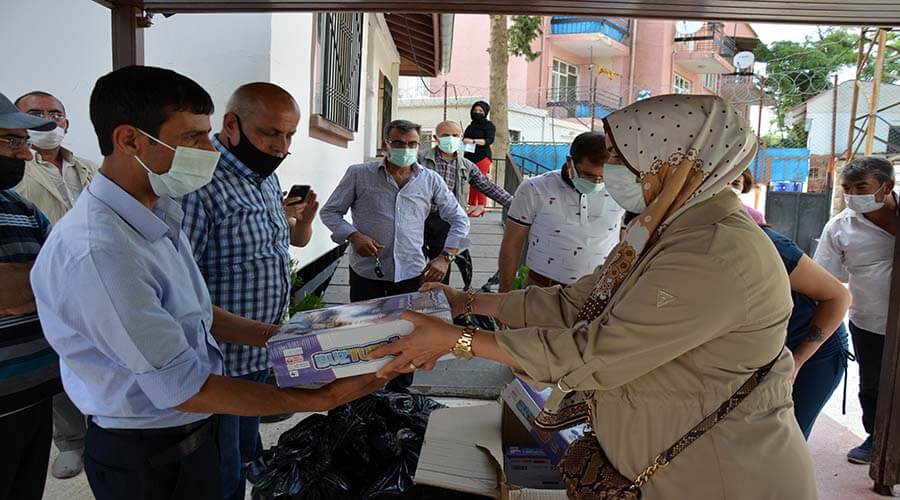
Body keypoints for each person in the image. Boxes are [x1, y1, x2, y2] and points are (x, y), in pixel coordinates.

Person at [372, 95, 817, 499]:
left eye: (624, 157)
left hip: (722, 475)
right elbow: (575, 303)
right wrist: (466, 303)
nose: (614, 171)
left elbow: (595, 353)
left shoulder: (711, 253)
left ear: (674, 162)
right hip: (662, 463)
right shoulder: (664, 231)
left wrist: (458, 340)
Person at [29, 66, 385, 500]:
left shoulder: (158, 213)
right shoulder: (102, 252)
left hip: (200, 427)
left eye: (206, 134)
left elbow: (197, 312)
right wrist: (318, 398)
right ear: (129, 140)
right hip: (153, 455)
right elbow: (184, 387)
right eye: (192, 139)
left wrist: (283, 335)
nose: (207, 151)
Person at [180, 82, 317, 500]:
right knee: (219, 473)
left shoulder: (262, 179)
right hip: (218, 365)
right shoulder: (200, 184)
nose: (281, 146)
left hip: (258, 353)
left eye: (289, 135)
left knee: (240, 455)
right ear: (231, 125)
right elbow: (182, 292)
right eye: (270, 133)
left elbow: (280, 247)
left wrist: (304, 221)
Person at [14, 90, 98, 480]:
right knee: (55, 359)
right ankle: (70, 440)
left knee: (93, 354)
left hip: (93, 277)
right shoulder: (16, 170)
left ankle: (100, 425)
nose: (48, 120)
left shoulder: (87, 168)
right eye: (35, 113)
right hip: (41, 280)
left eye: (56, 113)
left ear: (67, 124)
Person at [320, 119, 470, 302]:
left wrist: (445, 257)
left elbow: (460, 219)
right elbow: (330, 212)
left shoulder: (430, 180)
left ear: (418, 146)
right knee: (367, 328)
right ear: (385, 145)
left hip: (412, 272)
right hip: (367, 272)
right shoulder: (359, 174)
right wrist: (353, 235)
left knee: (407, 327)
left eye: (412, 144)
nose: (406, 149)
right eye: (398, 143)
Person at [814, 156, 897, 464]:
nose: (852, 195)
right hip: (869, 321)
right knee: (872, 382)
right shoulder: (839, 228)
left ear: (887, 186)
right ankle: (876, 438)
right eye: (847, 188)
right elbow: (824, 278)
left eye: (861, 187)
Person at [0, 92, 62, 500]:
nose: (24, 155)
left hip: (36, 395)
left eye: (24, 143)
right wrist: (42, 277)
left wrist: (30, 280)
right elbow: (11, 295)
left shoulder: (17, 205)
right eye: (11, 141)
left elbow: (71, 274)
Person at [746, 213, 852, 439]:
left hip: (815, 350)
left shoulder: (772, 247)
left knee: (786, 438)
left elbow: (839, 297)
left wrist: (797, 362)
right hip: (772, 350)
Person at [499, 131, 624, 292]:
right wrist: (505, 296)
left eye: (603, 177)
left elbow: (624, 242)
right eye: (588, 175)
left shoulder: (621, 192)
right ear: (570, 162)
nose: (596, 183)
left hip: (599, 293)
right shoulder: (534, 189)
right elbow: (512, 244)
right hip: (543, 291)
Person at [419, 120, 512, 289]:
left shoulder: (466, 166)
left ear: (461, 138)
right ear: (436, 138)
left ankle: (436, 302)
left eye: (455, 136)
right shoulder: (421, 160)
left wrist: (514, 204)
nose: (450, 139)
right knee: (414, 263)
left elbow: (488, 187)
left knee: (441, 267)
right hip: (420, 218)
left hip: (447, 222)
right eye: (446, 136)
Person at [463, 101, 495, 218]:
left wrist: (472, 141)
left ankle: (481, 206)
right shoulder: (470, 126)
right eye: (475, 111)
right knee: (472, 182)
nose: (477, 113)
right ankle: (471, 205)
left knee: (480, 182)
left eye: (480, 111)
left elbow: (489, 140)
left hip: (482, 157)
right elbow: (465, 139)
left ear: (485, 112)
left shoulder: (489, 125)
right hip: (470, 156)